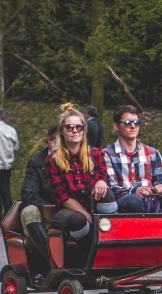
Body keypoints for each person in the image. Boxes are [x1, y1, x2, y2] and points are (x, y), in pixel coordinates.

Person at [44, 103, 117, 250]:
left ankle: (113, 240)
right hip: (67, 209)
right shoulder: (53, 160)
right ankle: (89, 252)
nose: (75, 130)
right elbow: (62, 196)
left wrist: (102, 181)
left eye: (79, 127)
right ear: (62, 131)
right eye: (69, 127)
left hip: (92, 203)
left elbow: (105, 176)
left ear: (84, 130)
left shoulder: (96, 154)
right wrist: (87, 216)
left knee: (106, 193)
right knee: (78, 219)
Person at [103, 105, 162, 213]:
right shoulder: (107, 154)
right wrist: (135, 191)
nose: (133, 126)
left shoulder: (153, 153)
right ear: (116, 126)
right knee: (133, 201)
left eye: (136, 122)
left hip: (153, 200)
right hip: (126, 203)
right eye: (127, 122)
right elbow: (111, 188)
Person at [18, 124, 58, 282]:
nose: (57, 143)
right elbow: (28, 194)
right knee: (29, 212)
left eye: (61, 139)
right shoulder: (36, 162)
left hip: (68, 211)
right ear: (46, 142)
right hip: (42, 212)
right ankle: (52, 263)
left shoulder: (75, 160)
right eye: (53, 139)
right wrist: (49, 209)